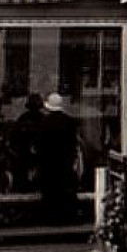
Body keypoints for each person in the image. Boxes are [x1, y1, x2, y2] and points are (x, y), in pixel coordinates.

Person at [37, 93, 81, 224]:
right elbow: (73, 142)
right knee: (66, 188)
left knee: (50, 189)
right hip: (65, 160)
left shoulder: (44, 122)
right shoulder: (69, 122)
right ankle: (69, 216)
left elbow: (40, 143)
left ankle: (51, 217)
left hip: (49, 161)